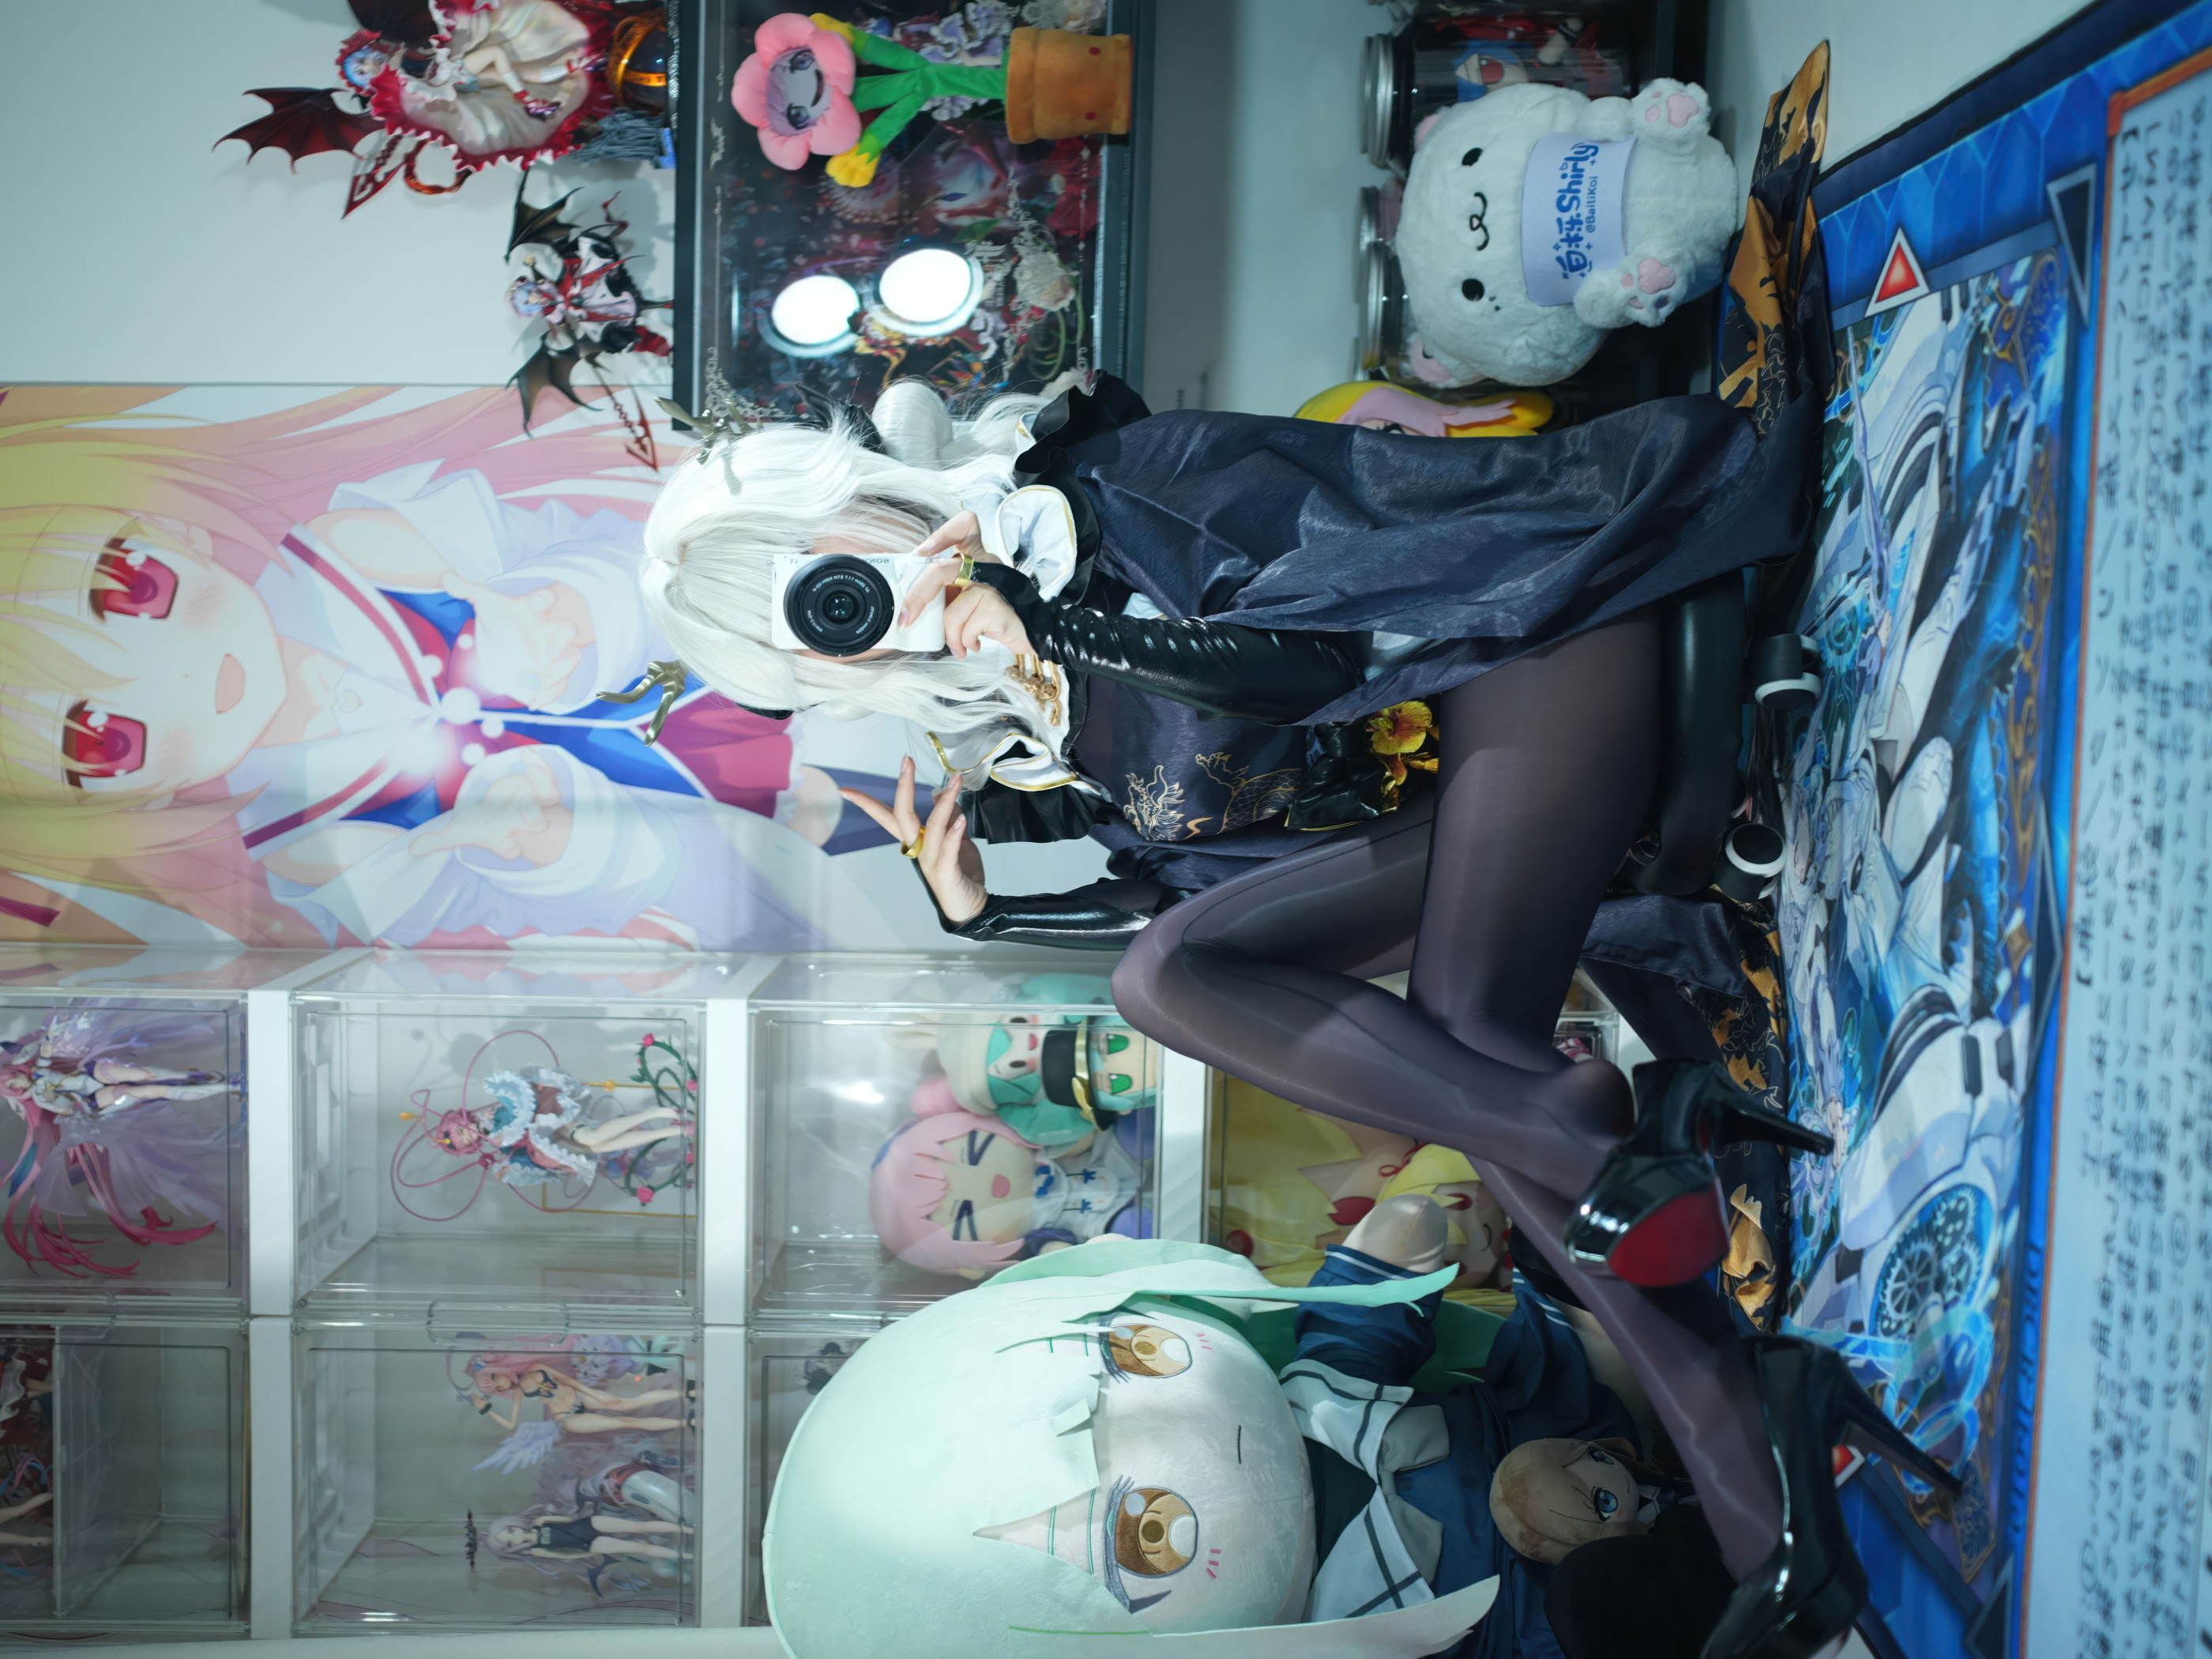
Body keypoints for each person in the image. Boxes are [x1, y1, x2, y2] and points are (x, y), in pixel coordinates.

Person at [646, 51, 1909, 1659]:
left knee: (1314, 1012)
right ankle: (1753, 1482)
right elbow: (1237, 904)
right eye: (807, 640)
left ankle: (1639, 1246)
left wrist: (1059, 610)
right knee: (1415, 1029)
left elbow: (1343, 642)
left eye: (817, 574)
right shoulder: (1033, 730)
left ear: (857, 501)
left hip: (1554, 631)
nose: (853, 616)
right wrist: (977, 912)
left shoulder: (1114, 493)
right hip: (1506, 824)